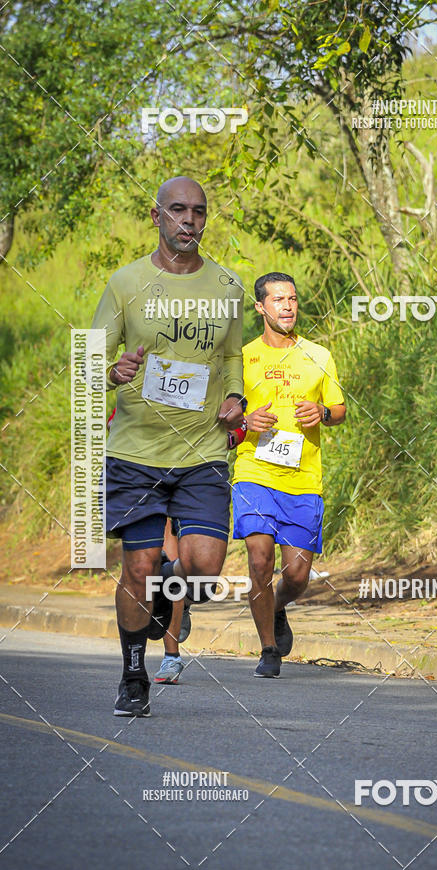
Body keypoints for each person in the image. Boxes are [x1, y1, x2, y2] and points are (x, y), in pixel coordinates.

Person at [92, 176, 244, 715]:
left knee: (203, 573)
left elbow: (232, 356)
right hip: (136, 451)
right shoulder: (126, 283)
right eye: (178, 210)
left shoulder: (227, 285)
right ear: (157, 216)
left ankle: (165, 593)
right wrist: (111, 371)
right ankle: (134, 676)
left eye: (198, 211)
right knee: (138, 566)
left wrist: (236, 396)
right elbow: (89, 360)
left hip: (203, 451)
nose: (189, 220)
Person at [232, 272, 346, 677]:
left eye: (293, 299)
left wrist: (323, 412)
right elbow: (223, 416)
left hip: (302, 477)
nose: (288, 306)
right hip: (254, 471)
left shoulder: (318, 355)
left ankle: (277, 606)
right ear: (260, 307)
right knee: (260, 560)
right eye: (278, 300)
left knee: (296, 576)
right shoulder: (242, 358)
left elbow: (339, 410)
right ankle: (268, 650)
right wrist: (245, 421)